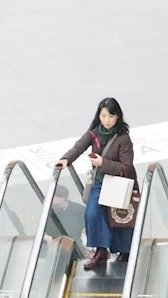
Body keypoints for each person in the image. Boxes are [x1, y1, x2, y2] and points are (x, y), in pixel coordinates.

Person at [56, 99, 135, 273]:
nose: (107, 120)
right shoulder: (94, 133)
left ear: (117, 117)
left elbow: (126, 168)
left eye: (111, 116)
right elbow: (79, 146)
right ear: (98, 115)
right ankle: (101, 251)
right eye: (103, 115)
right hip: (100, 182)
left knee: (119, 218)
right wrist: (65, 159)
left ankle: (125, 251)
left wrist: (102, 163)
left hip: (119, 182)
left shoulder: (123, 139)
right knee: (92, 213)